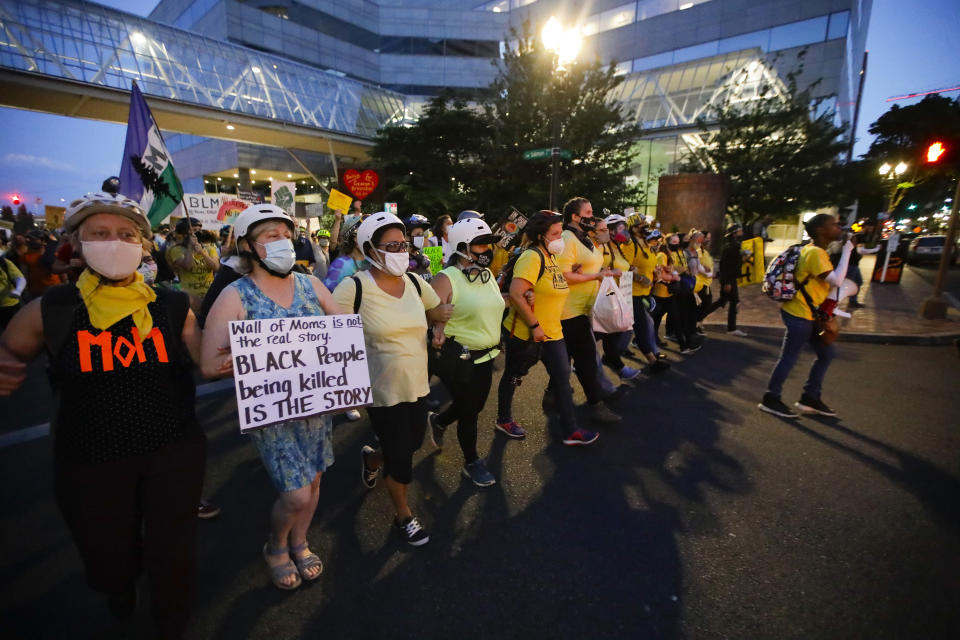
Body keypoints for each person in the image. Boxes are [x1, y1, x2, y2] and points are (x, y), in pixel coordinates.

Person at [0, 192, 206, 638]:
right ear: (77, 243)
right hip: (90, 458)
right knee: (108, 552)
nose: (114, 242)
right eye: (100, 234)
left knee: (172, 551)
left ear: (143, 246)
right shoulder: (50, 310)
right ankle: (119, 585)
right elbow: (8, 354)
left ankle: (172, 622)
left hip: (173, 451)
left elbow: (208, 361)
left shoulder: (171, 306)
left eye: (126, 234)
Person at [202, 204, 343, 589]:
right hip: (274, 411)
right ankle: (276, 545)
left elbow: (342, 333)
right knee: (296, 494)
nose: (282, 242)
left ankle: (300, 541)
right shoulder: (236, 294)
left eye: (285, 234)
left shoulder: (311, 285)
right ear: (248, 246)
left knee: (313, 482)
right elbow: (209, 362)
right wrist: (253, 356)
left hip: (316, 405)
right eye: (270, 236)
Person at [331, 212, 453, 546]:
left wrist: (440, 322)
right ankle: (404, 516)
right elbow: (327, 337)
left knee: (412, 442)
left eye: (404, 243)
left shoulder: (415, 283)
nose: (402, 250)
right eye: (392, 245)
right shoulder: (352, 288)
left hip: (417, 383)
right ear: (370, 248)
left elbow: (436, 309)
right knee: (402, 454)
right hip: (381, 389)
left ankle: (372, 457)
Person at [496, 211, 600, 446]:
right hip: (527, 333)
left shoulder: (550, 257)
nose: (559, 238)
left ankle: (571, 430)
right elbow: (515, 293)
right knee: (513, 376)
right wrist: (534, 325)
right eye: (555, 233)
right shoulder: (532, 257)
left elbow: (551, 285)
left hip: (554, 332)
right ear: (541, 236)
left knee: (563, 378)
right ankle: (504, 418)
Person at [427, 218, 504, 487]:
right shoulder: (446, 278)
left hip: (486, 356)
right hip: (458, 358)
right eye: (481, 245)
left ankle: (439, 420)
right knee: (470, 411)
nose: (487, 251)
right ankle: (472, 462)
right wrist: (437, 322)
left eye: (488, 245)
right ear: (461, 247)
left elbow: (489, 304)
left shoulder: (488, 275)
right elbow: (429, 314)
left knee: (474, 405)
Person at [759, 213, 851, 418]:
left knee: (827, 354)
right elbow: (836, 280)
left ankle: (810, 397)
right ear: (821, 230)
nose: (839, 228)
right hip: (799, 313)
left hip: (808, 313)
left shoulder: (817, 252)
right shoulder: (815, 253)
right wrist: (848, 251)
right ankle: (771, 398)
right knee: (789, 357)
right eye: (834, 225)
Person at [554, 197, 620, 422]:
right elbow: (563, 275)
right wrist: (596, 275)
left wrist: (602, 272)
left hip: (587, 307)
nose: (592, 217)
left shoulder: (584, 238)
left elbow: (586, 267)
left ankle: (551, 394)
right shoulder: (567, 238)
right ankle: (596, 404)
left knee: (572, 356)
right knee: (587, 358)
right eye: (589, 213)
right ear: (575, 216)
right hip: (570, 309)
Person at [595, 215, 641, 381]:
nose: (626, 232)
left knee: (609, 332)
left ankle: (613, 362)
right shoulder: (603, 247)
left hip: (617, 294)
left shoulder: (617, 247)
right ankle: (616, 365)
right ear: (611, 230)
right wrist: (609, 271)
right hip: (606, 294)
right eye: (622, 228)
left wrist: (630, 269)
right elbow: (595, 266)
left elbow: (624, 264)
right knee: (607, 331)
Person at [622, 224, 670, 372]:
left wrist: (655, 274)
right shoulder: (630, 245)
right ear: (634, 228)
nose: (646, 227)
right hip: (631, 293)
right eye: (641, 224)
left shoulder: (646, 245)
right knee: (642, 325)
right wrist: (639, 277)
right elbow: (625, 268)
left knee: (643, 324)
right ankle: (652, 360)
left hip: (644, 293)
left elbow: (648, 266)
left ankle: (615, 353)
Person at [650, 234, 698, 354]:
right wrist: (674, 277)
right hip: (660, 292)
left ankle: (684, 345)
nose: (677, 244)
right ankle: (684, 345)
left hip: (668, 293)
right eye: (674, 242)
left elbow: (670, 269)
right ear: (668, 243)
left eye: (678, 242)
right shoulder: (662, 255)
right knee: (658, 318)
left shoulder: (669, 255)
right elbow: (660, 274)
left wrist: (673, 273)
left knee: (664, 318)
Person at [166, 217, 219, 312]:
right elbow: (188, 266)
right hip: (190, 299)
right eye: (194, 230)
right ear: (184, 233)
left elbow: (216, 267)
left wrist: (202, 253)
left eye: (199, 230)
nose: (198, 233)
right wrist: (190, 247)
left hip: (209, 296)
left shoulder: (210, 249)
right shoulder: (176, 250)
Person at [706, 223, 748, 337]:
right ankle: (731, 328)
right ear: (734, 234)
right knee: (733, 302)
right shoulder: (731, 247)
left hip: (729, 278)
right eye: (739, 231)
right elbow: (726, 266)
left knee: (723, 301)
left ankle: (698, 318)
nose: (741, 233)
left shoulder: (734, 246)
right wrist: (727, 282)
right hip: (729, 279)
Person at [691, 230, 716, 332]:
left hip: (706, 283)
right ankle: (695, 324)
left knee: (706, 304)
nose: (709, 240)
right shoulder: (697, 251)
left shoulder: (704, 251)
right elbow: (697, 264)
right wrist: (707, 272)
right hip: (700, 283)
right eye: (707, 238)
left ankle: (697, 324)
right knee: (705, 305)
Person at [0, 252, 26, 328]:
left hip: (12, 305)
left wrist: (18, 290)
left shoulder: (4, 263)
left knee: (20, 329)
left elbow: (19, 278)